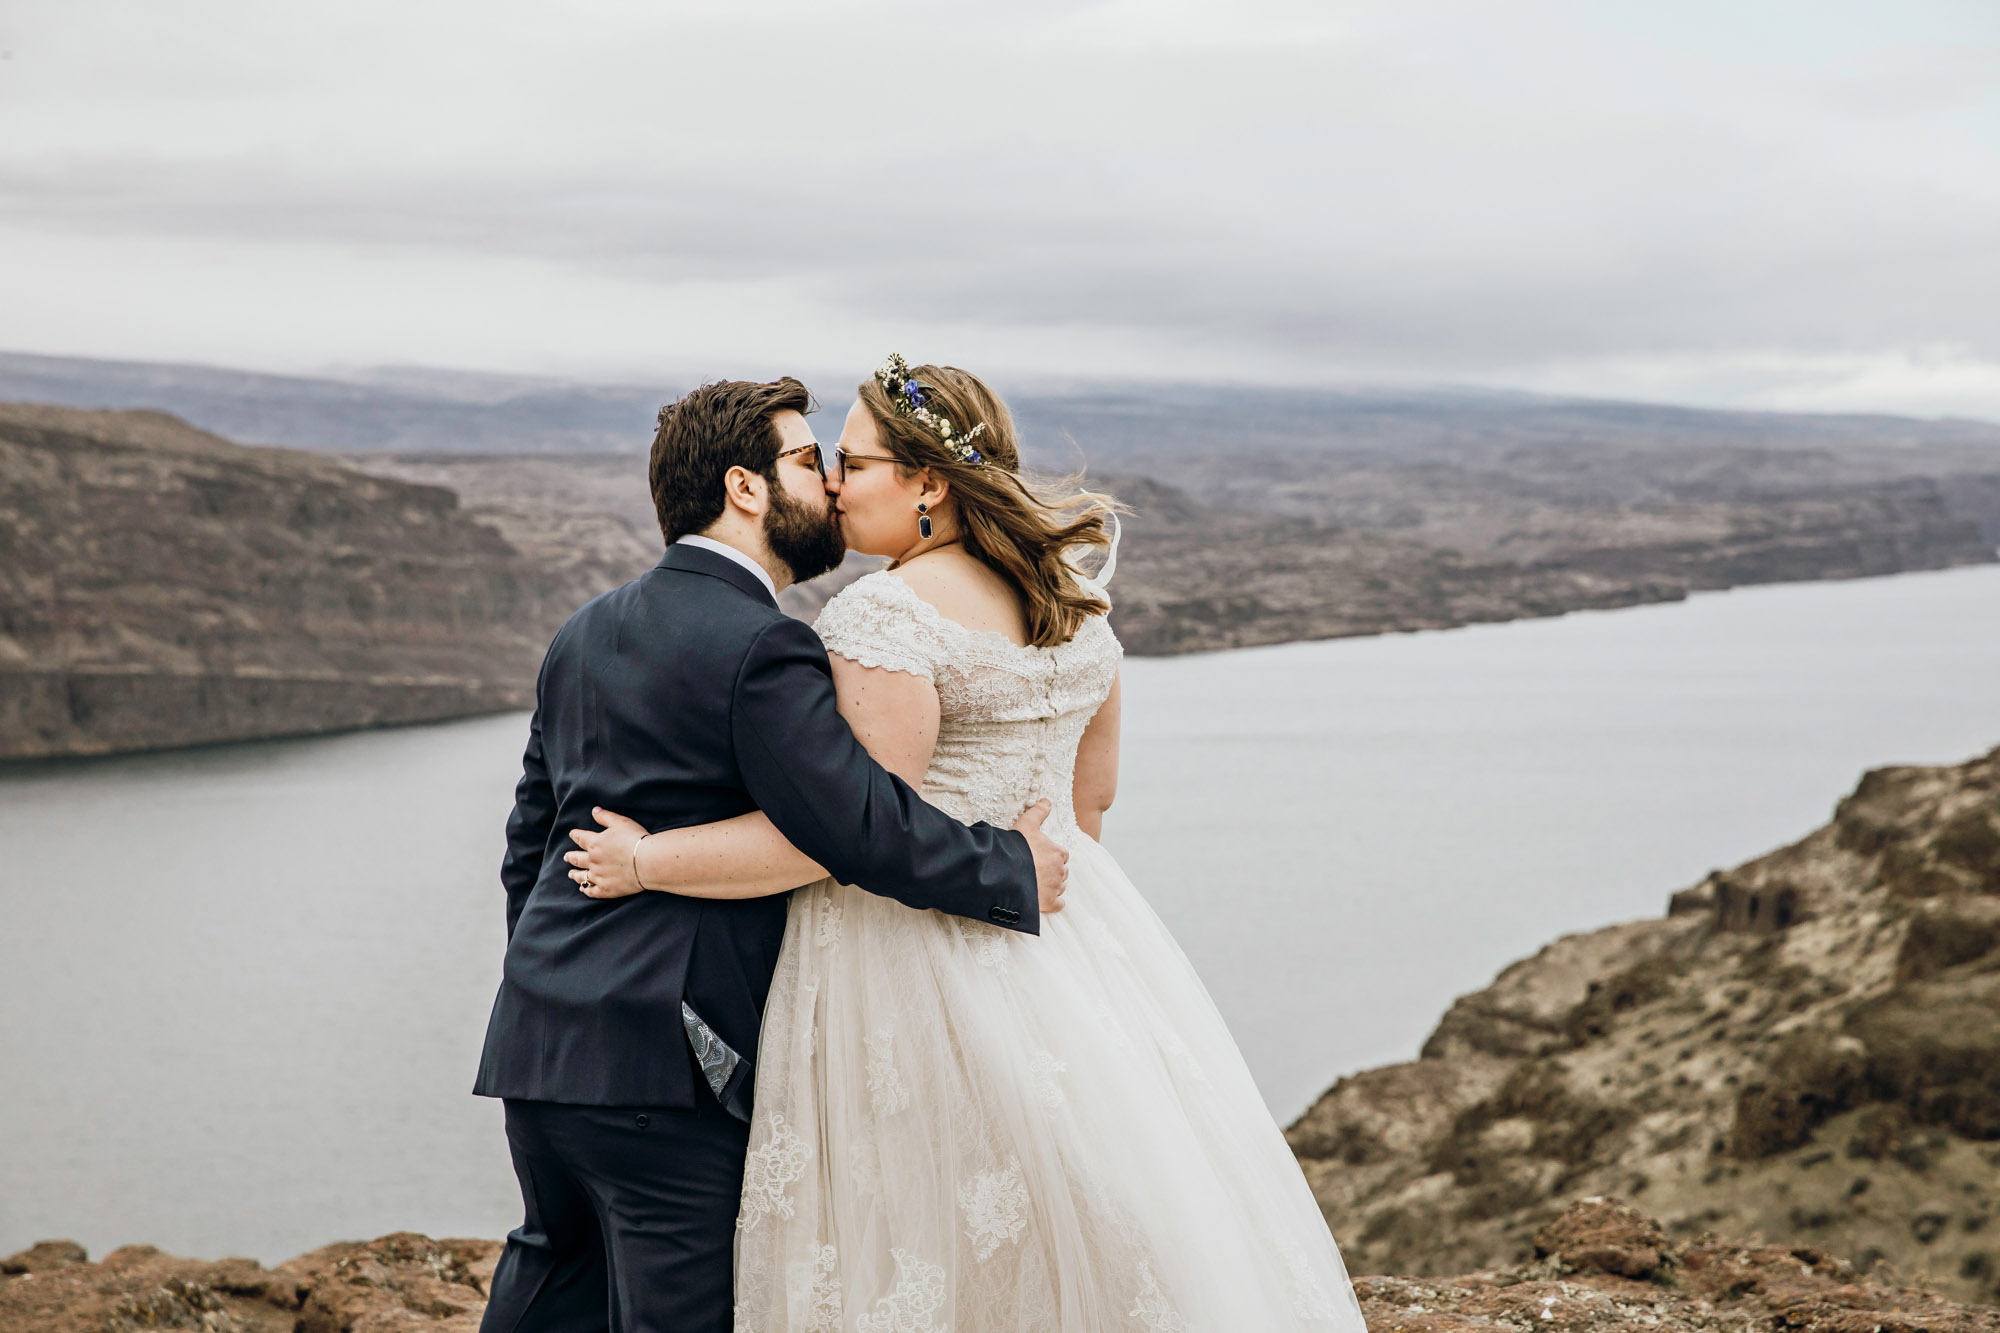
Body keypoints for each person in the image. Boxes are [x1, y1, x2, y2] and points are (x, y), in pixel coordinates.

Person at [566, 358, 1366, 1331]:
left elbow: (844, 836)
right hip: (1074, 942)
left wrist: (645, 862)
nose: (828, 485)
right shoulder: (1072, 599)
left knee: (917, 1228)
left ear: (927, 483)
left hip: (901, 956)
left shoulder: (883, 616)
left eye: (851, 463)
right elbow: (1092, 802)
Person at [472, 375, 1073, 1333]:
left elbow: (528, 848)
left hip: (542, 1045)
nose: (829, 484)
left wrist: (553, 986)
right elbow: (857, 822)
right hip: (668, 1065)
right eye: (806, 460)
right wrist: (1007, 868)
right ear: (745, 489)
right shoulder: (763, 646)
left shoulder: (579, 633)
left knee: (552, 1295)